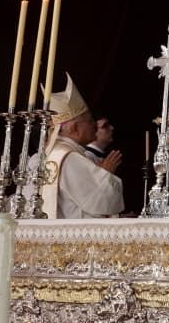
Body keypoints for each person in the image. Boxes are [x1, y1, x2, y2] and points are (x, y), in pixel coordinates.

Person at [39, 74, 124, 218]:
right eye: (90, 121)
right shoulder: (69, 157)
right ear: (75, 128)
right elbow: (100, 202)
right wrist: (106, 175)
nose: (94, 126)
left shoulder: (55, 153)